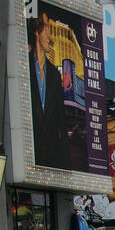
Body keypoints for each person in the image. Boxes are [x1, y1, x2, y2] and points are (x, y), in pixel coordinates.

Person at [29, 11, 69, 170]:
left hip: (52, 161)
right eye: (46, 28)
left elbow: (61, 123)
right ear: (36, 30)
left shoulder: (54, 74)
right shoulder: (23, 65)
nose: (50, 36)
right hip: (29, 156)